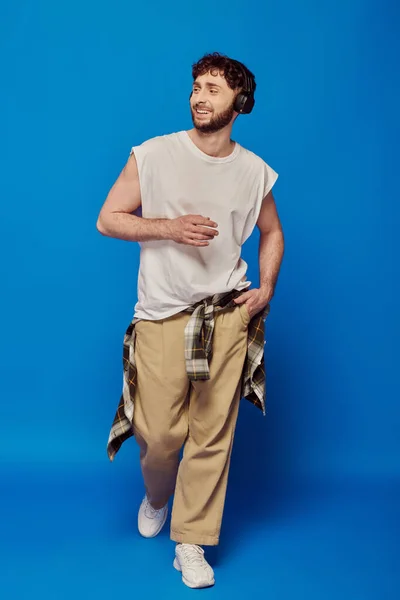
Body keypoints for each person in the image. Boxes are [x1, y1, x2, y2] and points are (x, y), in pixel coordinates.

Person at [96, 51, 284, 589]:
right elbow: (108, 218)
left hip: (227, 315)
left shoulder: (254, 172)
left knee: (212, 433)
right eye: (196, 86)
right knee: (158, 433)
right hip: (160, 314)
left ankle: (192, 541)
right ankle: (158, 495)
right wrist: (170, 229)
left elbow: (272, 233)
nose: (199, 96)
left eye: (213, 89)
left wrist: (266, 287)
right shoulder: (154, 154)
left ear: (239, 103)